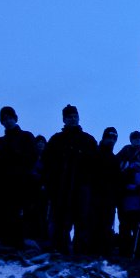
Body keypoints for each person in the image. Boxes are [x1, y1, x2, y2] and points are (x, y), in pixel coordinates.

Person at [42, 105, 98, 255]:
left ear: (78, 118)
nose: (72, 119)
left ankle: (81, 252)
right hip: (61, 188)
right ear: (64, 119)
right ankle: (61, 251)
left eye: (74, 116)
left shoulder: (88, 140)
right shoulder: (56, 140)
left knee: (82, 221)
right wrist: (51, 184)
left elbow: (95, 165)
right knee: (62, 221)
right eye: (69, 117)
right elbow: (47, 164)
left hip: (82, 187)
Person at [0, 106, 38, 249]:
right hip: (5, 185)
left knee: (25, 214)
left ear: (15, 119)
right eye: (5, 119)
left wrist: (12, 156)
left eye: (10, 118)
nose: (8, 121)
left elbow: (32, 157)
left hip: (23, 183)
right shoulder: (0, 141)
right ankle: (8, 242)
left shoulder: (26, 136)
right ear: (2, 122)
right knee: (7, 213)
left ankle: (26, 241)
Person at [90, 127, 121, 257]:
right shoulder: (94, 154)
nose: (112, 140)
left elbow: (117, 179)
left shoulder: (114, 159)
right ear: (104, 137)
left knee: (106, 224)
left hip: (108, 198)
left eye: (114, 138)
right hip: (94, 195)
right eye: (110, 137)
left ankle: (103, 252)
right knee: (92, 223)